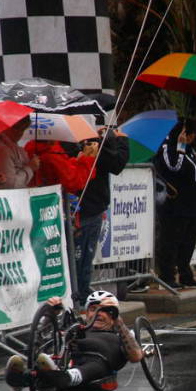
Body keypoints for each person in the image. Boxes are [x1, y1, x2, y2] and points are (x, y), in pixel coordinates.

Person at [3, 291, 144, 391]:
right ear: (87, 312)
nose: (98, 314)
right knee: (53, 344)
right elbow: (46, 336)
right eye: (93, 309)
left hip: (97, 364)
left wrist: (118, 321)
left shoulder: (121, 334)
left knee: (91, 366)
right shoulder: (77, 327)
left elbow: (136, 356)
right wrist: (51, 315)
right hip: (68, 359)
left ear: (113, 315)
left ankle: (58, 378)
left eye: (106, 311)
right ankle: (22, 377)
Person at [75, 127, 129, 300]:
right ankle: (80, 293)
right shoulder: (87, 143)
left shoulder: (93, 143)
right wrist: (120, 141)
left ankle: (82, 291)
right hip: (84, 207)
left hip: (89, 207)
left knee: (84, 256)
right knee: (81, 257)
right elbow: (116, 163)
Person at [154, 118, 196, 288]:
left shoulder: (190, 151)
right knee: (170, 241)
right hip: (175, 206)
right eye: (189, 135)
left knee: (188, 242)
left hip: (192, 206)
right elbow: (175, 167)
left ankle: (185, 274)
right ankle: (167, 276)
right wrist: (181, 147)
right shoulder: (167, 148)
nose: (191, 139)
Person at [25, 140, 96, 192]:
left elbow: (63, 166)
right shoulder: (52, 153)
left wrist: (78, 160)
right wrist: (89, 158)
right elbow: (73, 181)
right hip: (51, 200)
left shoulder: (30, 147)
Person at [0, 117, 39, 189]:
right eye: (16, 128)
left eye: (23, 129)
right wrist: (30, 168)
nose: (19, 133)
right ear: (5, 126)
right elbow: (10, 185)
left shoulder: (12, 146)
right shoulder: (1, 150)